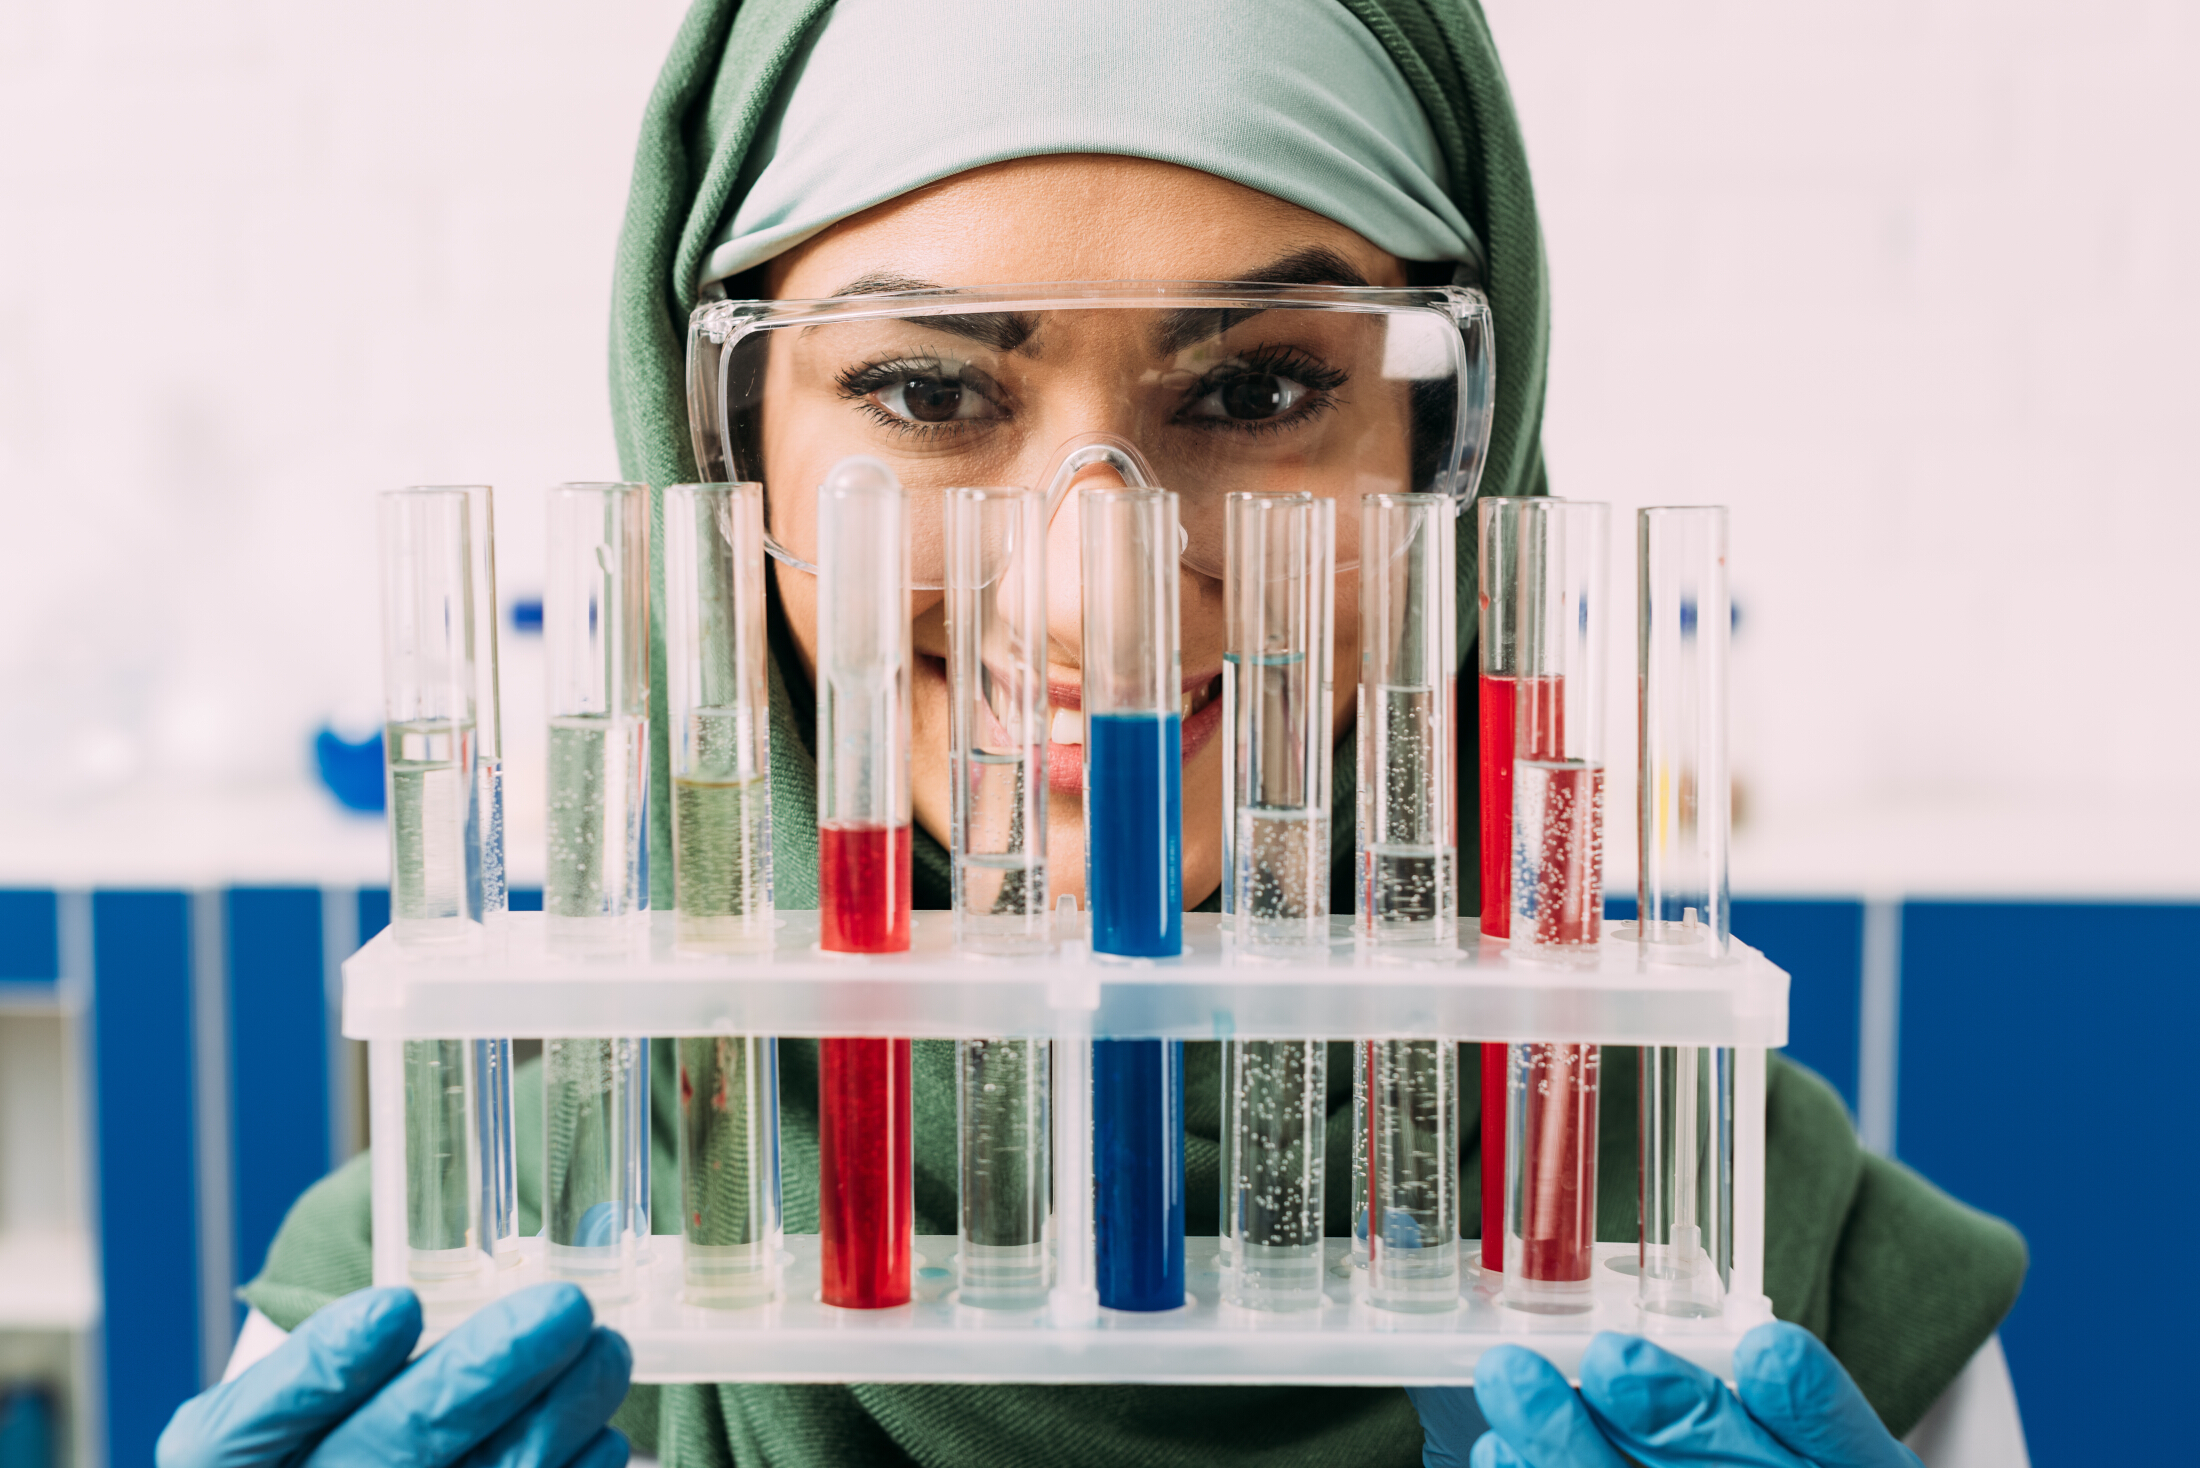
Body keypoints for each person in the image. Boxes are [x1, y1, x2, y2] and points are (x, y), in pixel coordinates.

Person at [160, 2, 2026, 1465]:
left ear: (1465, 452)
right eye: (924, 390)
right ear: (712, 454)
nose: (1093, 610)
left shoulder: (1784, 1293)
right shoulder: (461, 1295)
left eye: (1265, 387)